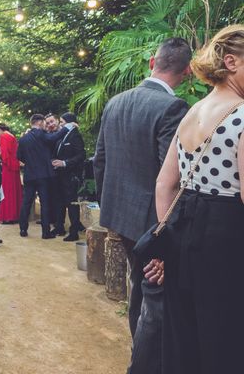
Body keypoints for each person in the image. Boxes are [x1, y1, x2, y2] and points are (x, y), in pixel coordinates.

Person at [145, 26, 244, 374]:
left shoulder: (192, 111)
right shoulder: (242, 114)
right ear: (231, 62)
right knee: (225, 341)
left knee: (183, 339)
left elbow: (163, 184)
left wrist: (166, 239)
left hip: (184, 232)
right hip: (228, 238)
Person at [93, 38, 192, 373]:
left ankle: (141, 352)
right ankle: (146, 363)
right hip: (154, 221)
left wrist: (108, 206)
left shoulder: (115, 102)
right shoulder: (173, 108)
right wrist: (171, 228)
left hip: (121, 215)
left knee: (140, 291)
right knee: (155, 296)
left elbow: (100, 161)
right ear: (188, 70)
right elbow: (171, 175)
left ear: (153, 62)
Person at [17, 114, 68, 239]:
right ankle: (45, 232)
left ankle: (23, 229)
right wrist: (68, 127)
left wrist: (29, 162)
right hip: (44, 174)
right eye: (44, 123)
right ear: (39, 123)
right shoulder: (42, 135)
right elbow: (55, 137)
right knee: (45, 203)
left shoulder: (23, 139)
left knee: (26, 202)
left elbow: (19, 156)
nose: (46, 125)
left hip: (29, 174)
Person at [50, 112, 86, 241]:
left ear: (70, 123)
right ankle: (59, 227)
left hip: (71, 176)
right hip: (60, 175)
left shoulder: (75, 136)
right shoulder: (63, 136)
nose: (60, 124)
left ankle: (74, 231)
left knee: (72, 205)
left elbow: (81, 156)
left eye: (62, 122)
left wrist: (64, 163)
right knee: (59, 202)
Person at [0, 123, 22, 224]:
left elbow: (5, 153)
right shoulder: (12, 136)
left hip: (8, 166)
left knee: (7, 191)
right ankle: (15, 215)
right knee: (14, 190)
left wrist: (1, 158)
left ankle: (8, 216)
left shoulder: (4, 136)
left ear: (0, 130)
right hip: (14, 164)